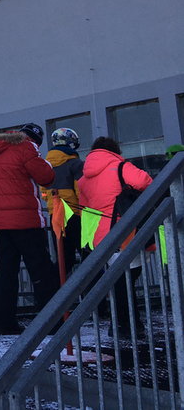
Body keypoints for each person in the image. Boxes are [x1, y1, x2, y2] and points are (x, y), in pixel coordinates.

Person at [0, 123, 58, 335]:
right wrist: (45, 163)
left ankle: (3, 324)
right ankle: (51, 322)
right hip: (25, 219)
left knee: (6, 271)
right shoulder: (27, 147)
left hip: (0, 222)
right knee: (41, 269)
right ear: (34, 139)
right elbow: (46, 177)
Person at [78, 136, 152, 336]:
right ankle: (126, 325)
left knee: (120, 277)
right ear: (114, 150)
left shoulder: (84, 178)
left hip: (100, 235)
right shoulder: (120, 167)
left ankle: (124, 323)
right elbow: (146, 182)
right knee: (126, 277)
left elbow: (84, 207)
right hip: (124, 231)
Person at [41, 127, 85, 275]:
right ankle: (94, 294)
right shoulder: (75, 163)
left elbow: (44, 192)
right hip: (74, 213)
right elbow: (80, 190)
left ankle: (55, 292)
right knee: (88, 255)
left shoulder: (46, 165)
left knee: (64, 259)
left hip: (56, 215)